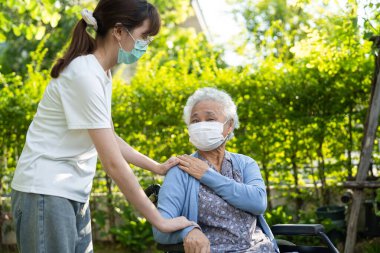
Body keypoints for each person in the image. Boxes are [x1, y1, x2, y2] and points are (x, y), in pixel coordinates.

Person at [10, 1, 195, 252]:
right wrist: (159, 220)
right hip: (46, 192)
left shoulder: (101, 74)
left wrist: (157, 167)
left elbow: (111, 139)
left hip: (69, 193)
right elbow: (113, 163)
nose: (145, 46)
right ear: (119, 31)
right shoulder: (84, 74)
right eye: (144, 36)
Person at [153, 87, 279, 253]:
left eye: (210, 119)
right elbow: (160, 228)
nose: (202, 125)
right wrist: (188, 231)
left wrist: (207, 175)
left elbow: (258, 203)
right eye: (195, 121)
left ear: (229, 126)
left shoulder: (245, 163)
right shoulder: (181, 170)